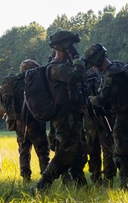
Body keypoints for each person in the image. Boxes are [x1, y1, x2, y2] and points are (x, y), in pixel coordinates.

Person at [83, 43, 128, 190]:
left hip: (124, 115)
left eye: (93, 64)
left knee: (120, 154)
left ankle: (127, 186)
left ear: (97, 61)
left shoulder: (111, 75)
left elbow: (103, 98)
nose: (93, 67)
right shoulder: (119, 66)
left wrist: (91, 99)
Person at [31, 31, 88, 192]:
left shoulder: (63, 66)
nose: (73, 50)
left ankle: (80, 186)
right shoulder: (55, 68)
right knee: (64, 153)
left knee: (80, 153)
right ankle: (41, 186)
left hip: (73, 115)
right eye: (71, 47)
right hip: (64, 116)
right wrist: (77, 59)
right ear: (64, 47)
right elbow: (77, 75)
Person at [6, 59, 51, 182]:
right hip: (35, 121)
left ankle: (25, 177)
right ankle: (45, 177)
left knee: (24, 151)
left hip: (19, 122)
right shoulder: (34, 81)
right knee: (42, 151)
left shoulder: (13, 82)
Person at [82, 66, 117, 186]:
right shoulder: (101, 76)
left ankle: (96, 177)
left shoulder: (82, 80)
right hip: (103, 117)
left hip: (90, 118)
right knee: (107, 149)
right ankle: (108, 178)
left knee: (93, 150)